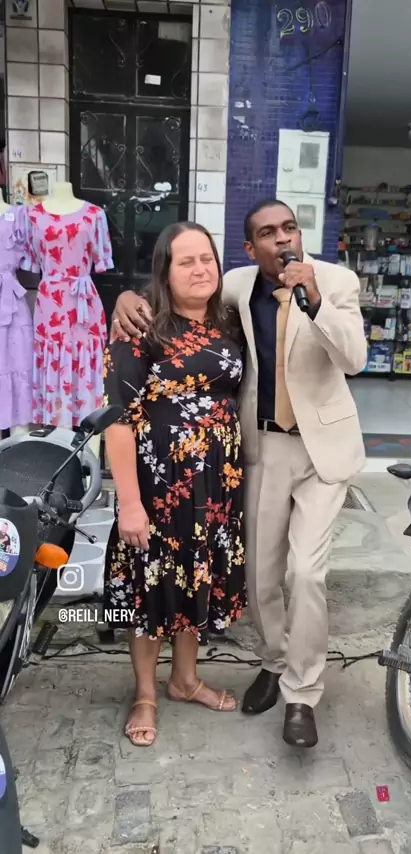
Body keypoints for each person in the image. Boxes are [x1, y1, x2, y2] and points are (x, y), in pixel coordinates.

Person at [111, 199, 367, 748]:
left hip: (302, 455)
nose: (282, 239)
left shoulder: (330, 284)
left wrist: (314, 298)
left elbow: (354, 359)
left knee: (301, 572)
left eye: (289, 228)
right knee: (245, 577)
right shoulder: (227, 295)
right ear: (250, 249)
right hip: (226, 461)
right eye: (267, 233)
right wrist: (125, 298)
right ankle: (259, 665)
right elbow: (122, 412)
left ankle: (297, 692)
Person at [103, 221, 247, 747]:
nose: (200, 269)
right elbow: (118, 420)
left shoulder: (228, 320)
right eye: (186, 261)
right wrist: (129, 503)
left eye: (207, 258)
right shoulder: (141, 327)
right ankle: (145, 692)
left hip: (217, 486)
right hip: (158, 484)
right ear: (164, 272)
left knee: (195, 578)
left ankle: (185, 679)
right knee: (149, 589)